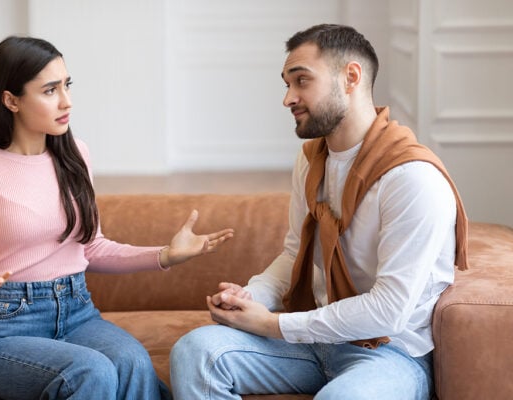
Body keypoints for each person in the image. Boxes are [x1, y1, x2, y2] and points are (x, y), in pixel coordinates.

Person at [170, 23, 468, 400]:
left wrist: (274, 324)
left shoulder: (412, 178)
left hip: (388, 352)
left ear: (351, 77)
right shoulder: (312, 159)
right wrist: (252, 297)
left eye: (301, 81)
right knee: (196, 353)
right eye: (286, 84)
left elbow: (388, 310)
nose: (288, 98)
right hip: (314, 344)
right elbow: (296, 253)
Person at [0, 36, 234, 400]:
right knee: (89, 372)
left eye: (67, 85)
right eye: (50, 90)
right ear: (11, 100)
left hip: (76, 310)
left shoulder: (75, 154)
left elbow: (91, 247)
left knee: (132, 362)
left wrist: (165, 255)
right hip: (3, 326)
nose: (67, 101)